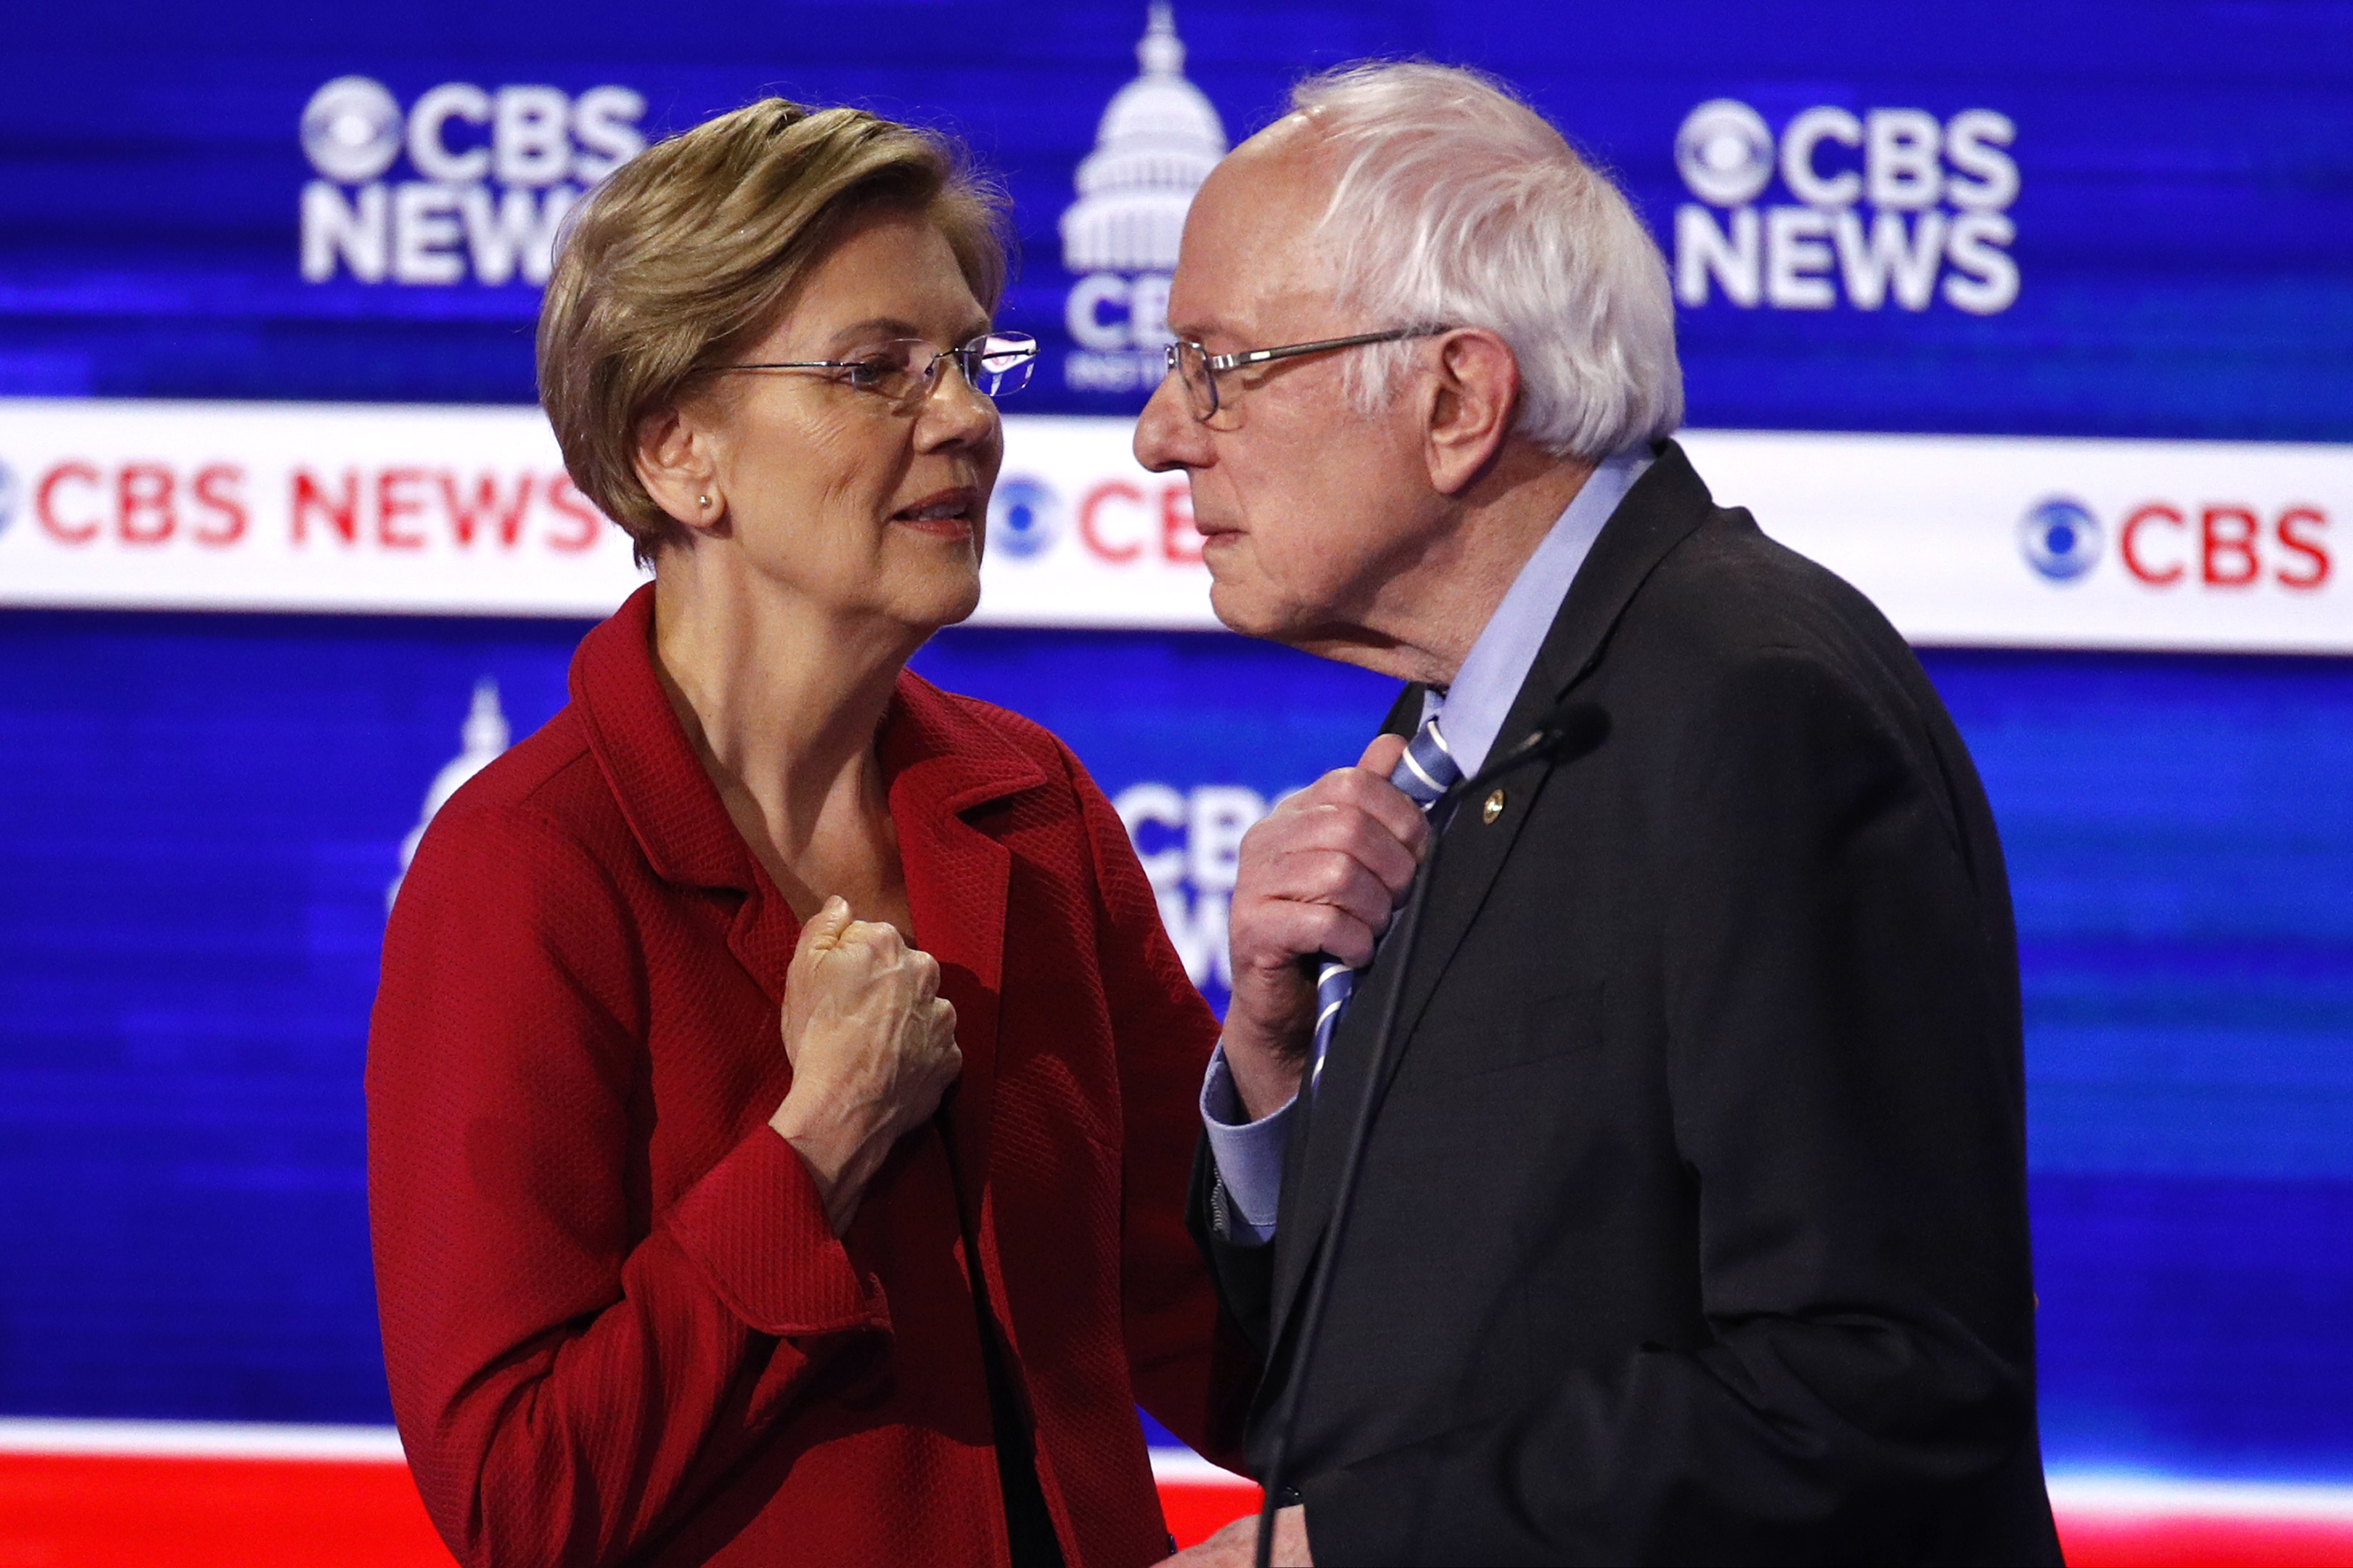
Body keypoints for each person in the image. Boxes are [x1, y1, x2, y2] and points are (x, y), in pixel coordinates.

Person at [1136, 63, 2062, 1566]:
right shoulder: (1455, 725)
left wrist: (1337, 1557)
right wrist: (1270, 1059)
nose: (1159, 435)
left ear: (1453, 398)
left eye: (1219, 365)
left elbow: (1868, 1386)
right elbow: (1375, 1367)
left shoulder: (1751, 709)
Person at [367, 98, 1251, 1568]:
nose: (966, 417)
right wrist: (816, 1141)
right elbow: (526, 1504)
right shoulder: (524, 869)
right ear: (678, 456)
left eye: (968, 360)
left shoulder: (1030, 807)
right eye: (875, 372)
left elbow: (1205, 1329)